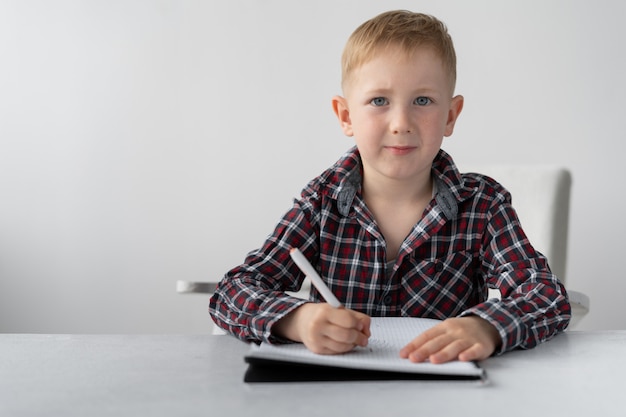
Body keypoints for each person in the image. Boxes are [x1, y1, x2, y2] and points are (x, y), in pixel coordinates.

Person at [209, 10, 570, 364]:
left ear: (450, 116)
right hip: (335, 394)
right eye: (379, 101)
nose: (401, 122)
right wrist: (296, 321)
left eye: (423, 100)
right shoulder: (320, 202)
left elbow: (546, 294)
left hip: (444, 392)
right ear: (346, 116)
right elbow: (232, 291)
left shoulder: (483, 204)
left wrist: (487, 327)